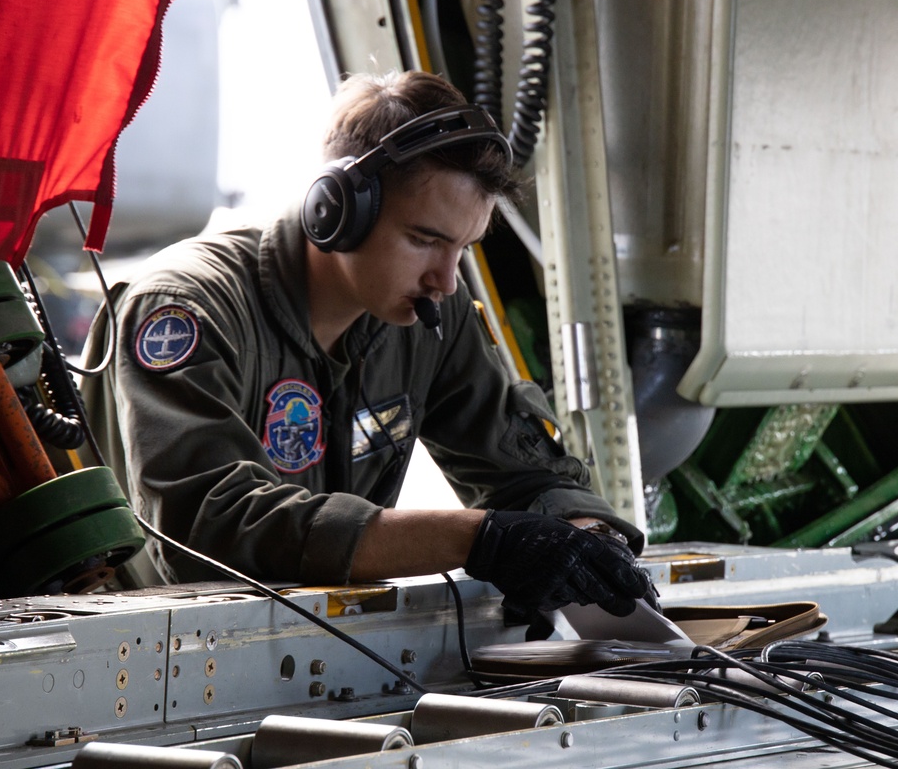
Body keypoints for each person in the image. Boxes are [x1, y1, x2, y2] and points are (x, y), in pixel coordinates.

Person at [81, 69, 652, 617]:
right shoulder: (188, 309)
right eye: (425, 239)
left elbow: (522, 472)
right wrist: (481, 540)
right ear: (339, 210)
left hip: (329, 642)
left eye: (464, 248)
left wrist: (588, 542)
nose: (446, 280)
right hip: (157, 650)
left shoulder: (429, 314)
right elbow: (207, 531)